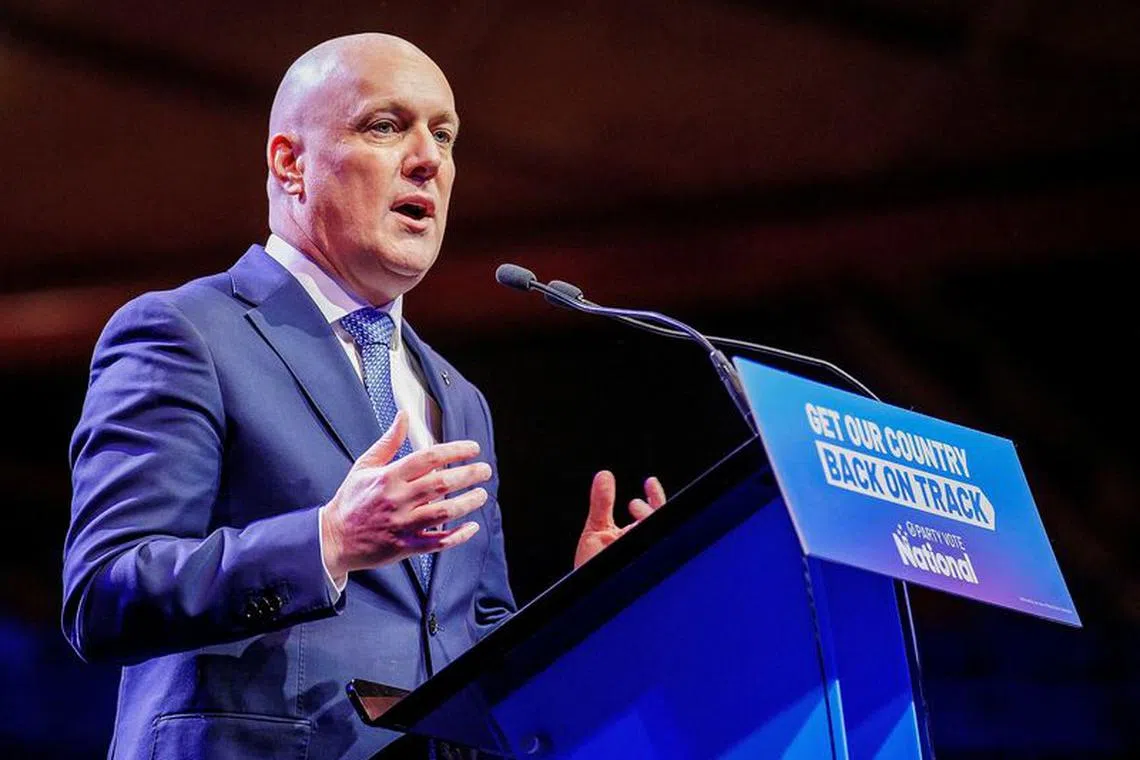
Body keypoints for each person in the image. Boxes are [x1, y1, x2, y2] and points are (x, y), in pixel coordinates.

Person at [61, 32, 665, 760]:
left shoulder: (455, 396)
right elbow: (103, 593)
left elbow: (471, 640)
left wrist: (588, 609)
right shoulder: (186, 333)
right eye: (387, 126)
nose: (429, 159)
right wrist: (329, 542)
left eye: (444, 135)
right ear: (291, 164)